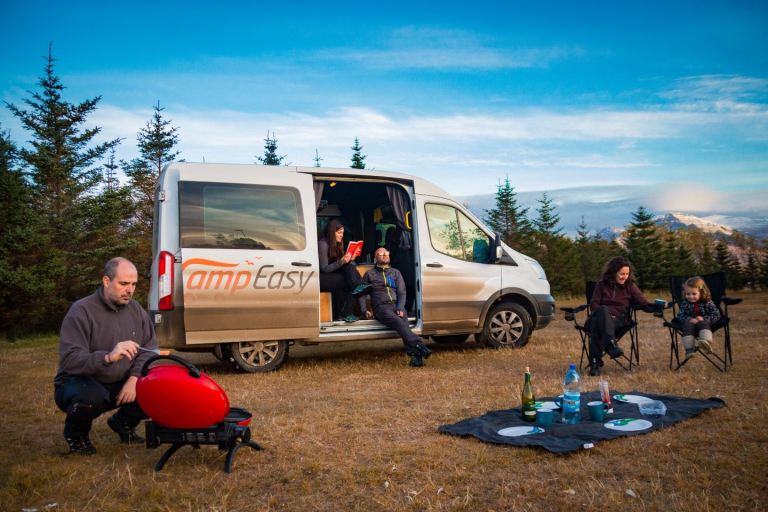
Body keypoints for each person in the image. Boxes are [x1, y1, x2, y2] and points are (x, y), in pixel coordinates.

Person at [54, 257, 158, 455]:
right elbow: (70, 360)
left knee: (157, 388)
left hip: (121, 382)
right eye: (124, 283)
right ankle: (76, 435)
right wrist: (108, 357)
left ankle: (123, 423)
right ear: (106, 281)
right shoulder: (82, 311)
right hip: (79, 382)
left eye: (134, 284)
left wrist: (135, 379)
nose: (130, 290)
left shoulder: (136, 310)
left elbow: (150, 349)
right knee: (91, 396)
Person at [360, 247, 432, 367]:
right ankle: (419, 344)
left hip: (396, 305)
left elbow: (402, 292)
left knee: (403, 323)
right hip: (381, 308)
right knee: (399, 322)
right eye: (380, 253)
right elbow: (361, 294)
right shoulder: (369, 274)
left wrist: (399, 307)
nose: (384, 255)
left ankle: (416, 358)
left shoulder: (395, 272)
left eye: (386, 253)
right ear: (375, 258)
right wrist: (364, 310)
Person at [587, 256, 654, 376]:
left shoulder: (630, 286)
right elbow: (594, 304)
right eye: (622, 273)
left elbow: (644, 303)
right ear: (613, 273)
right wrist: (606, 316)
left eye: (627, 274)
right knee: (602, 311)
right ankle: (611, 345)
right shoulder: (601, 285)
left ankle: (595, 363)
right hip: (600, 316)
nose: (625, 276)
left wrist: (658, 307)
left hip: (619, 320)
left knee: (598, 325)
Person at [318, 219, 369, 322]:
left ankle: (354, 310)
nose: (342, 235)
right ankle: (347, 312)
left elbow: (341, 265)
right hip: (321, 277)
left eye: (343, 233)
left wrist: (349, 259)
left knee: (350, 268)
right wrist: (341, 262)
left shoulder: (338, 244)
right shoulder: (322, 244)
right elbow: (324, 269)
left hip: (333, 275)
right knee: (350, 281)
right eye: (339, 233)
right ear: (332, 232)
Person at [676, 276, 720, 360]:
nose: (691, 296)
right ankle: (689, 350)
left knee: (703, 323)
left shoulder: (708, 302)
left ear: (701, 292)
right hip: (690, 323)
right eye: (688, 294)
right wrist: (689, 319)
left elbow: (716, 314)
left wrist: (705, 319)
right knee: (687, 325)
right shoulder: (685, 303)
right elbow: (680, 315)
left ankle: (706, 342)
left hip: (704, 323)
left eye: (694, 294)